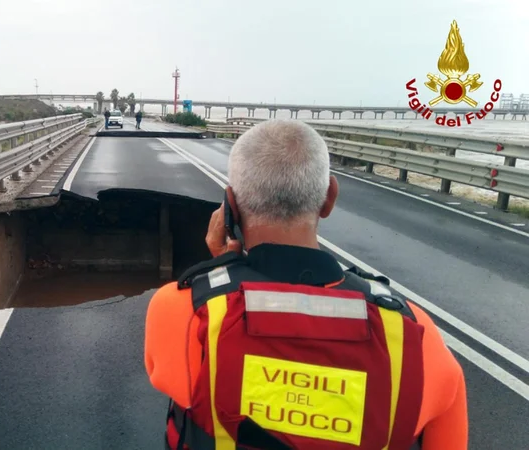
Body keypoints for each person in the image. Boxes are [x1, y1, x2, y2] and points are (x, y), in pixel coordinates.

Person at [144, 119, 467, 450]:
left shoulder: (184, 312)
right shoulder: (418, 336)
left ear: (231, 206)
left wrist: (220, 269)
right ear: (330, 197)